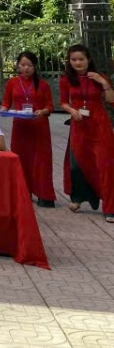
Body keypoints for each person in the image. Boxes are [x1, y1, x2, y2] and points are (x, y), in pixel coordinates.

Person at [59, 44, 114, 222]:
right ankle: (79, 197)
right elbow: (63, 102)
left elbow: (111, 101)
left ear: (88, 60)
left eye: (81, 59)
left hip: (99, 126)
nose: (78, 63)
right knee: (77, 164)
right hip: (79, 127)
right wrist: (71, 110)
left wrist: (103, 82)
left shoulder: (99, 78)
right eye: (74, 59)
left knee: (105, 165)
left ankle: (110, 207)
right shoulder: (66, 80)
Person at [3, 51, 55, 207]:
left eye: (29, 65)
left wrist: (43, 111)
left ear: (35, 67)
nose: (26, 68)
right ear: (18, 65)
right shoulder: (12, 83)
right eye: (22, 65)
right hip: (20, 126)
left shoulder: (43, 84)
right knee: (21, 157)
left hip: (39, 126)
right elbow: (6, 102)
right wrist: (4, 109)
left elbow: (50, 106)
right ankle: (23, 191)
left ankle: (44, 194)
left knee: (42, 159)